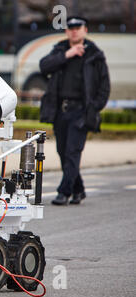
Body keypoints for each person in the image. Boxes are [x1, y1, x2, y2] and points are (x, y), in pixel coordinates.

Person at [39, 16, 110, 205]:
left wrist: (94, 108)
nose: (74, 31)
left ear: (85, 30)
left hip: (81, 111)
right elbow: (43, 66)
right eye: (71, 28)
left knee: (72, 152)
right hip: (61, 110)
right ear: (66, 31)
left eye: (78, 28)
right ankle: (79, 189)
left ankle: (65, 192)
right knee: (63, 152)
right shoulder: (61, 49)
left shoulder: (95, 54)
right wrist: (67, 55)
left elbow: (104, 86)